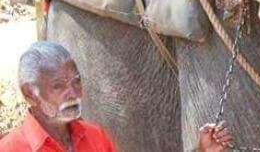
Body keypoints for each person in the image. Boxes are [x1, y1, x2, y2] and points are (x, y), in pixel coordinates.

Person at [0, 41, 232, 152]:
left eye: (76, 81)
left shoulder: (94, 137)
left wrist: (200, 150)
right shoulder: (12, 149)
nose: (72, 93)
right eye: (58, 86)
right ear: (30, 94)